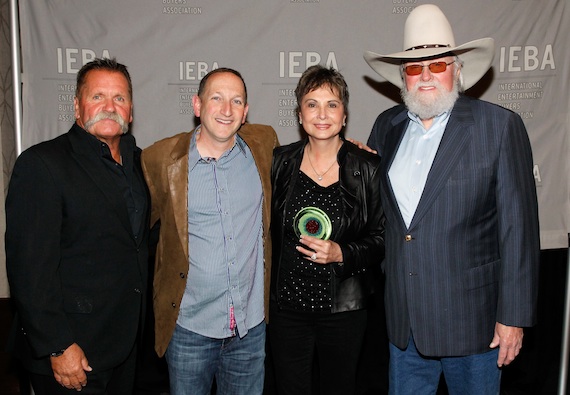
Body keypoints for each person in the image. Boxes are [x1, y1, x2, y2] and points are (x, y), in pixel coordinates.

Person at [363, 4, 540, 394]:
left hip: (475, 326)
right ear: (402, 78)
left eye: (438, 65)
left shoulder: (498, 126)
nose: (425, 75)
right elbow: (377, 214)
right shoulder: (385, 127)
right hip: (404, 326)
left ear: (457, 70)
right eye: (414, 67)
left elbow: (519, 230)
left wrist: (513, 317)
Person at [6, 58, 149, 394]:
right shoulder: (42, 164)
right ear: (77, 106)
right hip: (73, 351)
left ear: (130, 110)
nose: (109, 107)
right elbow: (29, 267)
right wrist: (57, 345)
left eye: (120, 98)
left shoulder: (140, 163)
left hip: (125, 345)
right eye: (97, 96)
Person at [140, 67, 279, 395]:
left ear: (246, 113)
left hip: (250, 330)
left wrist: (348, 149)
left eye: (236, 101)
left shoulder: (265, 146)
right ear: (197, 105)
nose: (226, 109)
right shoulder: (160, 160)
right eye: (216, 98)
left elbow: (314, 156)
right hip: (190, 329)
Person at [269, 65, 385, 395]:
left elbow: (382, 237)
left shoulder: (368, 167)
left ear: (344, 115)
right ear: (299, 113)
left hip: (343, 311)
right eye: (312, 104)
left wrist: (341, 253)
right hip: (287, 310)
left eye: (332, 104)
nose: (322, 114)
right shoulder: (279, 162)